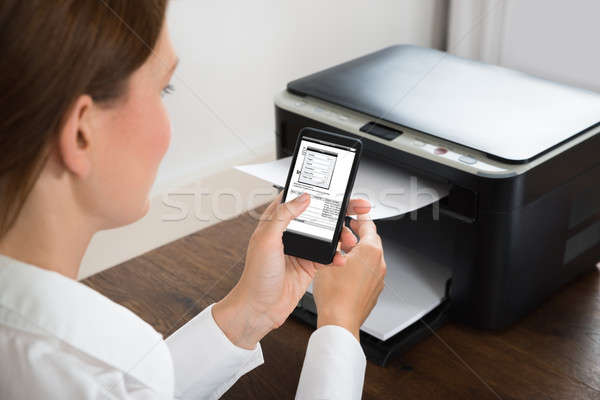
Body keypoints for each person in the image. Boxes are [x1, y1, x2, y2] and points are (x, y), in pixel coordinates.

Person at [0, 1, 386, 399]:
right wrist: (340, 326)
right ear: (82, 132)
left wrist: (251, 311)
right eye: (162, 88)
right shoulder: (92, 372)